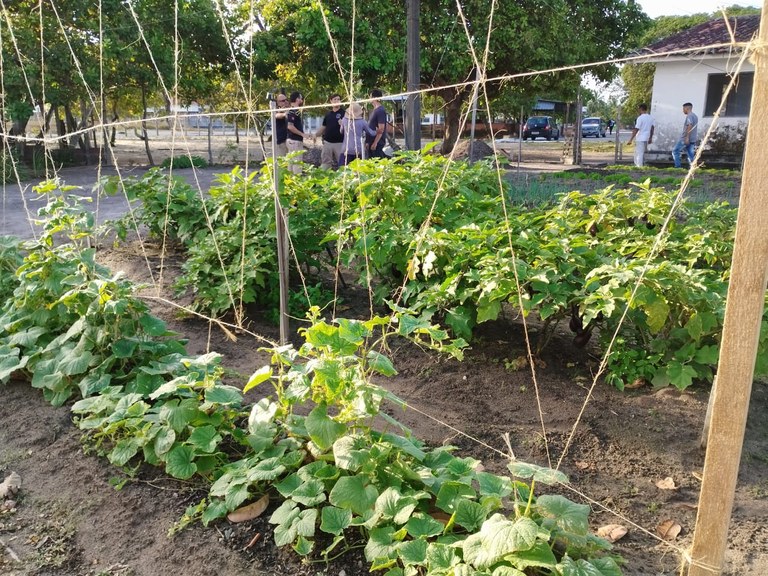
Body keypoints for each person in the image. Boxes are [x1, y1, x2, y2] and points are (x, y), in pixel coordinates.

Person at [315, 94, 345, 170]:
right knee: (325, 163)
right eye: (335, 99)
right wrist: (315, 135)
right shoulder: (328, 114)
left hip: (340, 143)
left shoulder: (344, 113)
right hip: (327, 143)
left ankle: (343, 180)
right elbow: (323, 127)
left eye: (338, 99)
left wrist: (344, 124)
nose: (337, 101)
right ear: (331, 101)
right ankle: (325, 179)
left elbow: (350, 127)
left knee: (342, 163)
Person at [285, 91, 308, 174]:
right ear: (297, 99)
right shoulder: (293, 111)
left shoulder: (296, 111)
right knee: (297, 165)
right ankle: (296, 183)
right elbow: (290, 126)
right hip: (294, 141)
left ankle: (290, 184)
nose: (302, 100)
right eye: (301, 98)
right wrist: (302, 134)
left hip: (292, 140)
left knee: (291, 164)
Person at [626, 103, 654, 167]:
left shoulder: (640, 118)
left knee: (639, 153)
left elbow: (636, 129)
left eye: (638, 109)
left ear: (641, 109)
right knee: (641, 152)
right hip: (647, 137)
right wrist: (650, 138)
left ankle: (639, 166)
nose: (638, 110)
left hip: (640, 138)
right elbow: (652, 128)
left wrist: (631, 139)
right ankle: (640, 165)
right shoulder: (650, 117)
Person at [672, 102, 698, 168]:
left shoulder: (689, 116)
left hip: (685, 139)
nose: (683, 110)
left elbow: (690, 125)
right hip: (692, 139)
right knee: (690, 154)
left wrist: (687, 137)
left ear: (687, 108)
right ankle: (693, 168)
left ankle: (677, 167)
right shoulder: (695, 116)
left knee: (675, 151)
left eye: (683, 109)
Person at [366, 89, 388, 159]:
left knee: (378, 161)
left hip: (377, 143)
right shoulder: (375, 110)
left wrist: (375, 142)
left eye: (370, 96)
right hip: (371, 141)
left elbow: (381, 128)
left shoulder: (380, 111)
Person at [273, 93, 289, 157]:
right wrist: (285, 114)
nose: (285, 102)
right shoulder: (275, 110)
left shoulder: (289, 109)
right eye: (283, 101)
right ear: (278, 102)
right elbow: (276, 115)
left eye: (286, 100)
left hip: (289, 141)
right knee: (281, 163)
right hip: (281, 142)